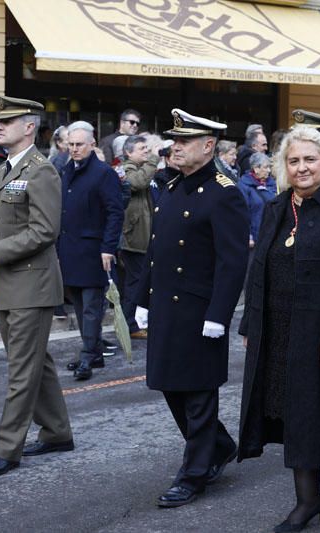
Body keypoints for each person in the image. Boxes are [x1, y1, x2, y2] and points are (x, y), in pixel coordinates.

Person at [237, 125, 320, 533]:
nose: (302, 167)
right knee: (296, 416)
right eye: (293, 161)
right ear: (283, 166)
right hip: (280, 332)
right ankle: (308, 500)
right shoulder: (277, 208)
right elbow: (258, 266)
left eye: (310, 159)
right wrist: (250, 323)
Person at [134, 109, 248, 508]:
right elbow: (156, 251)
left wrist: (220, 314)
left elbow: (232, 262)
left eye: (184, 142)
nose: (175, 147)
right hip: (167, 305)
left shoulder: (224, 191)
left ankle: (194, 474)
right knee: (169, 385)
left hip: (200, 311)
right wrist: (143, 299)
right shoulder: (170, 186)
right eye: (174, 141)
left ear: (208, 145)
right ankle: (218, 445)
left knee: (198, 395)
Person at [0, 96, 72, 477]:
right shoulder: (3, 170)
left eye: (8, 121)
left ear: (29, 127)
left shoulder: (42, 170)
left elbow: (45, 231)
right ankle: (58, 431)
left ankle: (7, 448)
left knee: (21, 371)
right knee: (35, 364)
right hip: (8, 285)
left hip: (31, 284)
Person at [57, 121, 124, 381]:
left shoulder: (103, 173)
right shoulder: (66, 170)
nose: (74, 149)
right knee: (78, 302)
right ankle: (93, 350)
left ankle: (88, 354)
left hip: (94, 250)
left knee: (91, 307)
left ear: (92, 145)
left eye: (79, 145)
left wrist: (108, 247)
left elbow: (114, 213)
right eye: (70, 144)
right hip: (70, 249)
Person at [120, 134, 157, 340]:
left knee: (138, 282)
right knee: (134, 284)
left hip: (142, 237)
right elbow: (138, 182)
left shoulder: (143, 169)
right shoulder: (126, 169)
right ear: (128, 152)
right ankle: (130, 325)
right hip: (132, 240)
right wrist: (154, 160)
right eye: (142, 148)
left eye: (147, 148)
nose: (147, 151)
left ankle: (133, 323)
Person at [237, 152, 277, 248]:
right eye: (266, 167)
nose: (269, 170)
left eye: (269, 167)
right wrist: (248, 236)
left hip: (271, 235)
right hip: (255, 238)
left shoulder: (271, 184)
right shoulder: (244, 186)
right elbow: (242, 213)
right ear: (256, 168)